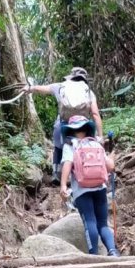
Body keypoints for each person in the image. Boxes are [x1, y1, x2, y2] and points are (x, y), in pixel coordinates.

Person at [25, 68, 104, 181]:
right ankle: (86, 172)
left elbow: (43, 89)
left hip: (62, 127)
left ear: (71, 76)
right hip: (83, 128)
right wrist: (100, 136)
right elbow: (95, 114)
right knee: (86, 147)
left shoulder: (61, 86)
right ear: (84, 79)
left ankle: (57, 175)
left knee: (58, 147)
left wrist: (29, 88)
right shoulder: (88, 91)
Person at [60, 115, 119, 257]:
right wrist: (112, 157)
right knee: (103, 224)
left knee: (90, 221)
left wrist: (63, 185)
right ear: (87, 128)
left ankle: (94, 255)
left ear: (70, 130)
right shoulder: (95, 143)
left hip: (81, 191)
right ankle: (112, 251)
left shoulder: (70, 145)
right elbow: (110, 166)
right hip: (100, 187)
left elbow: (67, 165)